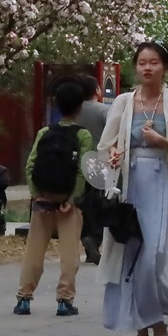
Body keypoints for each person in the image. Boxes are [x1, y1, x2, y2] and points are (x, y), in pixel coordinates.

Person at [99, 42, 168, 336]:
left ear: (165, 67)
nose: (147, 68)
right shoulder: (123, 102)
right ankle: (147, 328)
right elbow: (108, 145)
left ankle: (153, 322)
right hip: (132, 183)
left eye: (154, 62)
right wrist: (114, 155)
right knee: (132, 254)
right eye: (142, 62)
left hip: (163, 183)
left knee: (155, 255)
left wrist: (162, 141)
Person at [14, 77, 94, 316]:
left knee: (34, 250)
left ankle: (24, 299)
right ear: (80, 108)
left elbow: (30, 166)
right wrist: (71, 200)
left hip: (43, 201)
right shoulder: (83, 136)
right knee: (69, 253)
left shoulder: (44, 132)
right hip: (67, 203)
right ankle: (64, 300)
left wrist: (36, 195)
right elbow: (83, 170)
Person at [76, 74, 110, 263]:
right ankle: (94, 239)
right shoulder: (104, 111)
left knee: (84, 205)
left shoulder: (74, 111)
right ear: (97, 90)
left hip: (78, 164)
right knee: (100, 204)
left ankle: (86, 238)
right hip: (99, 163)